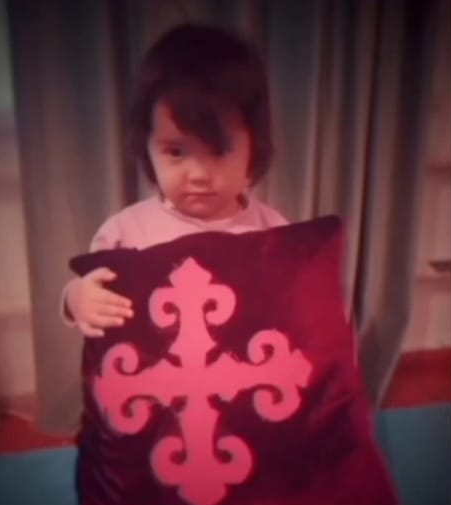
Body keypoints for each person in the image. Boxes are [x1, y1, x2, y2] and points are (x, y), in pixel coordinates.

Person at [62, 23, 288, 337]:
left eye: (219, 150)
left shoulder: (275, 232)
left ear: (254, 147)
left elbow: (297, 311)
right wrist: (76, 298)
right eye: (176, 152)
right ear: (146, 146)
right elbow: (95, 287)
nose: (198, 175)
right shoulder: (125, 232)